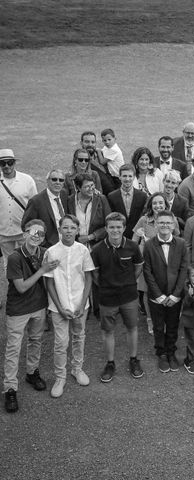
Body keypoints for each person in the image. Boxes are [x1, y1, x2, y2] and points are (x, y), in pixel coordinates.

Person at [2, 220, 55, 413]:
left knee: (36, 340)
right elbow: (21, 287)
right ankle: (10, 388)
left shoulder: (44, 253)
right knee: (14, 347)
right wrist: (42, 270)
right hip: (18, 308)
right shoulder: (15, 257)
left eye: (40, 234)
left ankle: (32, 372)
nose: (36, 236)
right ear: (24, 234)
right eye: (32, 232)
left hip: (38, 306)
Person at [43, 215, 95, 398]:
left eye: (72, 228)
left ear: (77, 230)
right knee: (60, 342)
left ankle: (77, 368)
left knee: (79, 337)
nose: (69, 231)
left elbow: (88, 277)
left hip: (80, 304)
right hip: (59, 306)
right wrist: (59, 306)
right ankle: (60, 376)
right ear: (59, 230)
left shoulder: (83, 250)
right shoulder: (51, 252)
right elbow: (49, 283)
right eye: (65, 228)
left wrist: (82, 304)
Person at [90, 212, 145, 383]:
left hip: (129, 296)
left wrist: (127, 282)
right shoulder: (97, 249)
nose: (115, 230)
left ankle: (133, 359)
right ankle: (110, 363)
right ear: (106, 228)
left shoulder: (132, 246)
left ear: (124, 228)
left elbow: (138, 268)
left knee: (132, 328)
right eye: (111, 227)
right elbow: (95, 274)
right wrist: (108, 285)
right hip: (107, 297)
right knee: (108, 331)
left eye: (118, 227)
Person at [143, 210, 189, 373]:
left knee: (172, 325)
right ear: (156, 224)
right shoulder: (148, 245)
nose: (165, 225)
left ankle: (171, 352)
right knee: (158, 326)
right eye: (161, 222)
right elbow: (147, 271)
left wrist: (176, 294)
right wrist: (159, 295)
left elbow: (184, 270)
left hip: (175, 295)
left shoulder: (181, 244)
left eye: (168, 223)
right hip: (156, 296)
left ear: (173, 225)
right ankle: (161, 353)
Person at [132, 193, 180, 334]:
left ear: (165, 204)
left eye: (160, 203)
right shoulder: (144, 220)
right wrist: (139, 236)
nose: (158, 206)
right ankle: (150, 320)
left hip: (166, 262)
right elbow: (133, 243)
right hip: (148, 262)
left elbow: (177, 239)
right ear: (150, 206)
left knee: (166, 290)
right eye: (155, 203)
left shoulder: (172, 219)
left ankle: (164, 319)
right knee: (149, 292)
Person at [0, 149, 37, 265]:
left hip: (24, 231)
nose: (6, 166)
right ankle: (12, 284)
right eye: (2, 163)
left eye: (9, 162)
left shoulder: (27, 180)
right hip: (3, 231)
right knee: (8, 263)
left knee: (27, 262)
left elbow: (35, 205)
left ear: (14, 163)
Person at [21, 169, 68, 248]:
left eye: (61, 180)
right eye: (54, 179)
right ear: (47, 181)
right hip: (48, 247)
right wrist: (42, 241)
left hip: (66, 244)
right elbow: (26, 226)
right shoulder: (36, 201)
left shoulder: (64, 194)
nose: (58, 182)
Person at [66, 173, 111, 249]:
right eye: (87, 186)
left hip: (98, 246)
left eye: (92, 185)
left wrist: (91, 236)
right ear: (78, 188)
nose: (91, 188)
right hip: (75, 246)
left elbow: (109, 224)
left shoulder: (101, 199)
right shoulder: (70, 201)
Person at [107, 164, 147, 239]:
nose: (127, 179)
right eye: (124, 176)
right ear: (120, 177)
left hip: (137, 236)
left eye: (130, 176)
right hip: (118, 236)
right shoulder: (111, 196)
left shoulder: (143, 196)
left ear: (134, 177)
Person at [81, 131, 117, 195]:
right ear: (81, 143)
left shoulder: (103, 155)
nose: (90, 144)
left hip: (115, 193)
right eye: (87, 142)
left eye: (93, 142)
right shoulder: (81, 162)